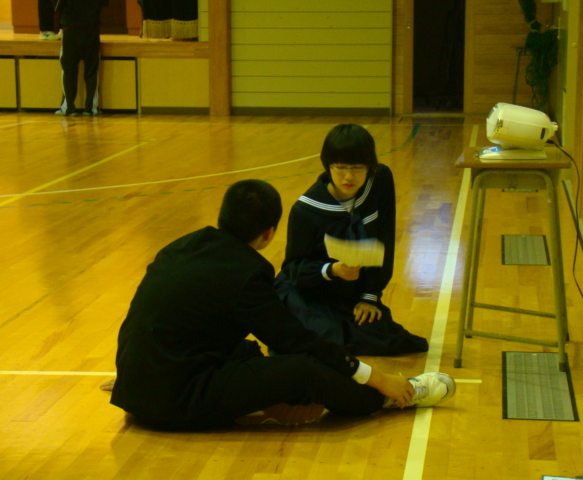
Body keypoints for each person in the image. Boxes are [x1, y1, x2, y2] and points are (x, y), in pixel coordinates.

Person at [106, 179, 455, 430]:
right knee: (303, 370)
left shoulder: (182, 245)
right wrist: (375, 377)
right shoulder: (249, 272)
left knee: (246, 350)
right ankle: (392, 396)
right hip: (176, 401)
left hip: (136, 386)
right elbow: (297, 341)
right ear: (269, 232)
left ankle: (262, 403)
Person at [275, 124, 429, 356]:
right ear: (327, 165)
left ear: (370, 166)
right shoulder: (305, 210)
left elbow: (385, 241)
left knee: (390, 339)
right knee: (326, 339)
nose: (348, 176)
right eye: (340, 167)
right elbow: (293, 268)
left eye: (357, 168)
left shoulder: (380, 181)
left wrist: (370, 297)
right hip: (310, 291)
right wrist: (332, 270)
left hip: (351, 291)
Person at [54, 0, 109, 116]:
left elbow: (58, 7)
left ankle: (69, 107)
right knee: (91, 70)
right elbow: (104, 4)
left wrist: (56, 28)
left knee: (69, 70)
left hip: (71, 29)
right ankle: (90, 108)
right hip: (91, 28)